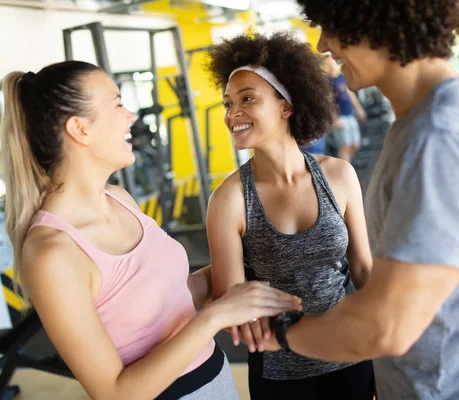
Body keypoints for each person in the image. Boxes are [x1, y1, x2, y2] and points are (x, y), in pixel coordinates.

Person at [259, 1, 459, 400]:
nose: (322, 45)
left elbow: (384, 327)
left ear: (372, 18)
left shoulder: (441, 135)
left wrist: (282, 333)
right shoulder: (425, 121)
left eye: (330, 26)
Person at [0, 61, 302, 400]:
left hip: (215, 380)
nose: (131, 116)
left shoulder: (119, 199)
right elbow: (115, 393)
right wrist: (215, 316)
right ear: (80, 129)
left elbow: (162, 299)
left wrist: (252, 265)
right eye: (117, 104)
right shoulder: (52, 252)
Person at [205, 32, 374, 400]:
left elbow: (363, 270)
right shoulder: (228, 200)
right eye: (228, 103)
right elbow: (233, 301)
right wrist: (252, 317)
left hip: (350, 354)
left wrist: (388, 339)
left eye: (247, 98)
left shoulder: (340, 175)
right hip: (279, 372)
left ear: (286, 105)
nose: (233, 113)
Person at [321, 52, 367, 162]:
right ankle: (345, 172)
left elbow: (350, 94)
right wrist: (335, 119)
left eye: (331, 61)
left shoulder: (342, 77)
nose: (330, 64)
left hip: (349, 114)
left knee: (355, 145)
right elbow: (327, 103)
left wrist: (359, 108)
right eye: (327, 62)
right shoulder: (326, 81)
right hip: (340, 117)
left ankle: (347, 166)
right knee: (344, 147)